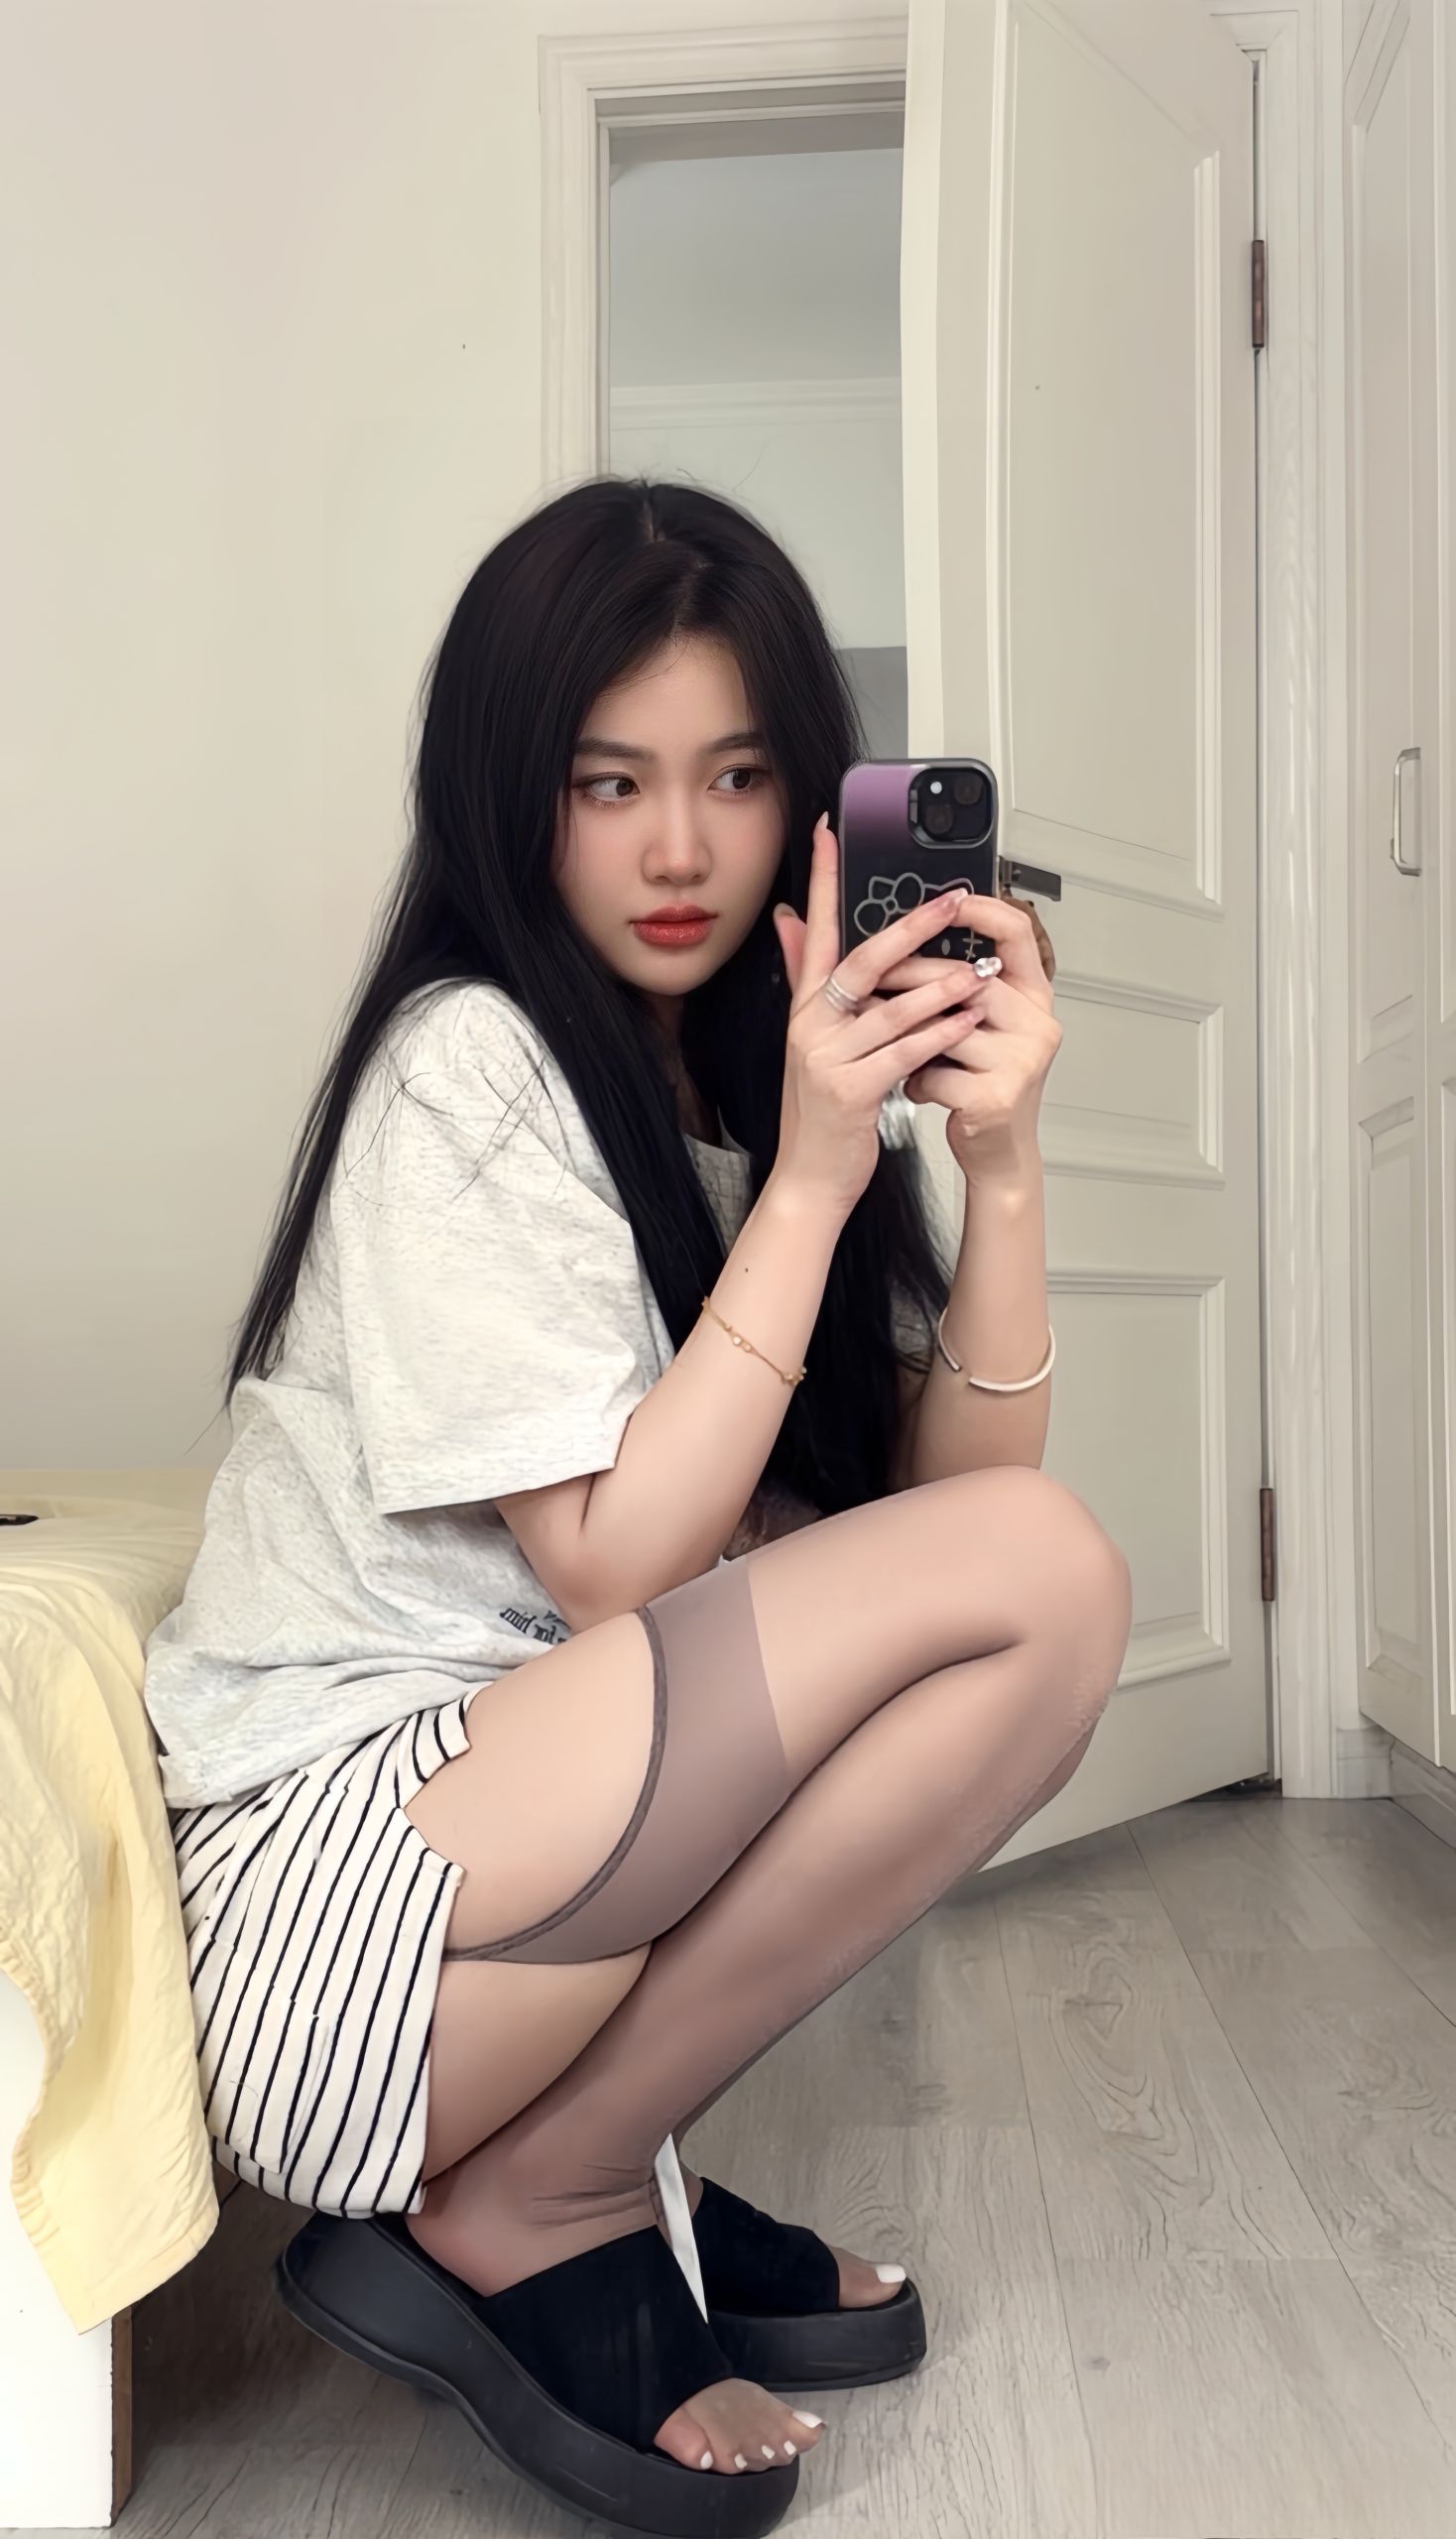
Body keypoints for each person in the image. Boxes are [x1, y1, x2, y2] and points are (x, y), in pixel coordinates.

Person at [145, 478, 1131, 2539]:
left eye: (736, 778)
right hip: (351, 1924)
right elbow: (609, 1559)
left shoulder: (741, 1090)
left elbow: (947, 1537)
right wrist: (815, 1176)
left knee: (1034, 1600)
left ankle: (572, 2168)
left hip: (525, 1851)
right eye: (610, 783)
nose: (679, 849)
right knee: (1033, 1575)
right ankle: (562, 2185)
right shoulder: (471, 1064)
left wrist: (1003, 1166)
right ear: (512, 794)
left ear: (806, 805)